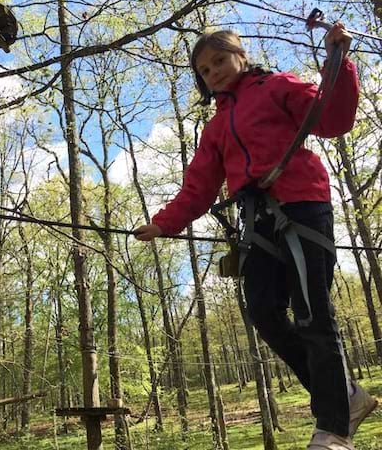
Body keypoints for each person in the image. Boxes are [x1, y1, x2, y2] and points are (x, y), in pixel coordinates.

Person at [134, 24, 378, 449]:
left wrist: (339, 64)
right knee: (264, 311)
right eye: (204, 70)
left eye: (219, 61)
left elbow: (332, 119)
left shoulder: (276, 86)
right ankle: (348, 395)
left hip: (303, 207)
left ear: (241, 56)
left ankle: (334, 427)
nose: (213, 73)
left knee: (312, 314)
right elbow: (198, 187)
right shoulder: (215, 130)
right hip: (259, 223)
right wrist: (163, 223)